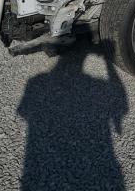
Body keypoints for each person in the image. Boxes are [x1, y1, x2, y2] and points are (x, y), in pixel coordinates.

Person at [18, 42, 128, 190]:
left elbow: (23, 111)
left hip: (37, 157)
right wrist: (108, 65)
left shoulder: (36, 81)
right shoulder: (97, 84)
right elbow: (121, 107)